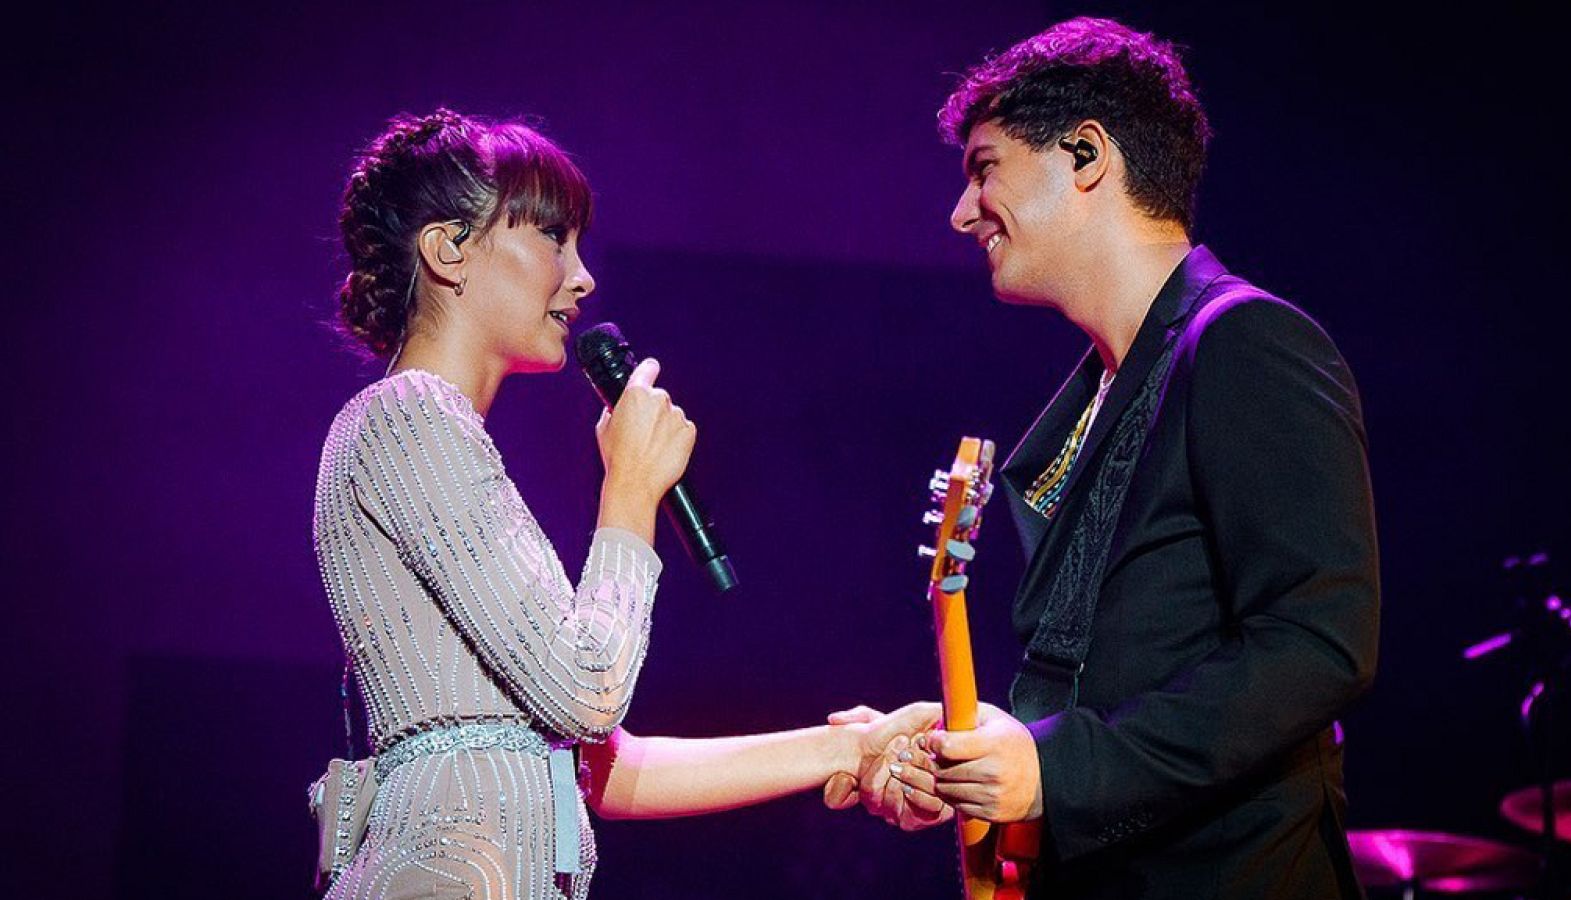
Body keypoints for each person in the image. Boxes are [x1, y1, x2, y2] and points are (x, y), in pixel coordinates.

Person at [314, 109, 932, 899]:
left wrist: (851, 749)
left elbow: (606, 766)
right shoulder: (408, 418)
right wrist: (630, 489)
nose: (581, 276)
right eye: (550, 238)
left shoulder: (435, 435)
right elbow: (589, 691)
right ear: (448, 250)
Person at [840, 19, 1380, 899]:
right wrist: (977, 754)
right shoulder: (1103, 387)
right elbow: (1115, 671)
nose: (961, 210)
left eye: (985, 169)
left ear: (1087, 154)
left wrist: (1059, 771)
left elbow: (1317, 641)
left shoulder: (1248, 343)